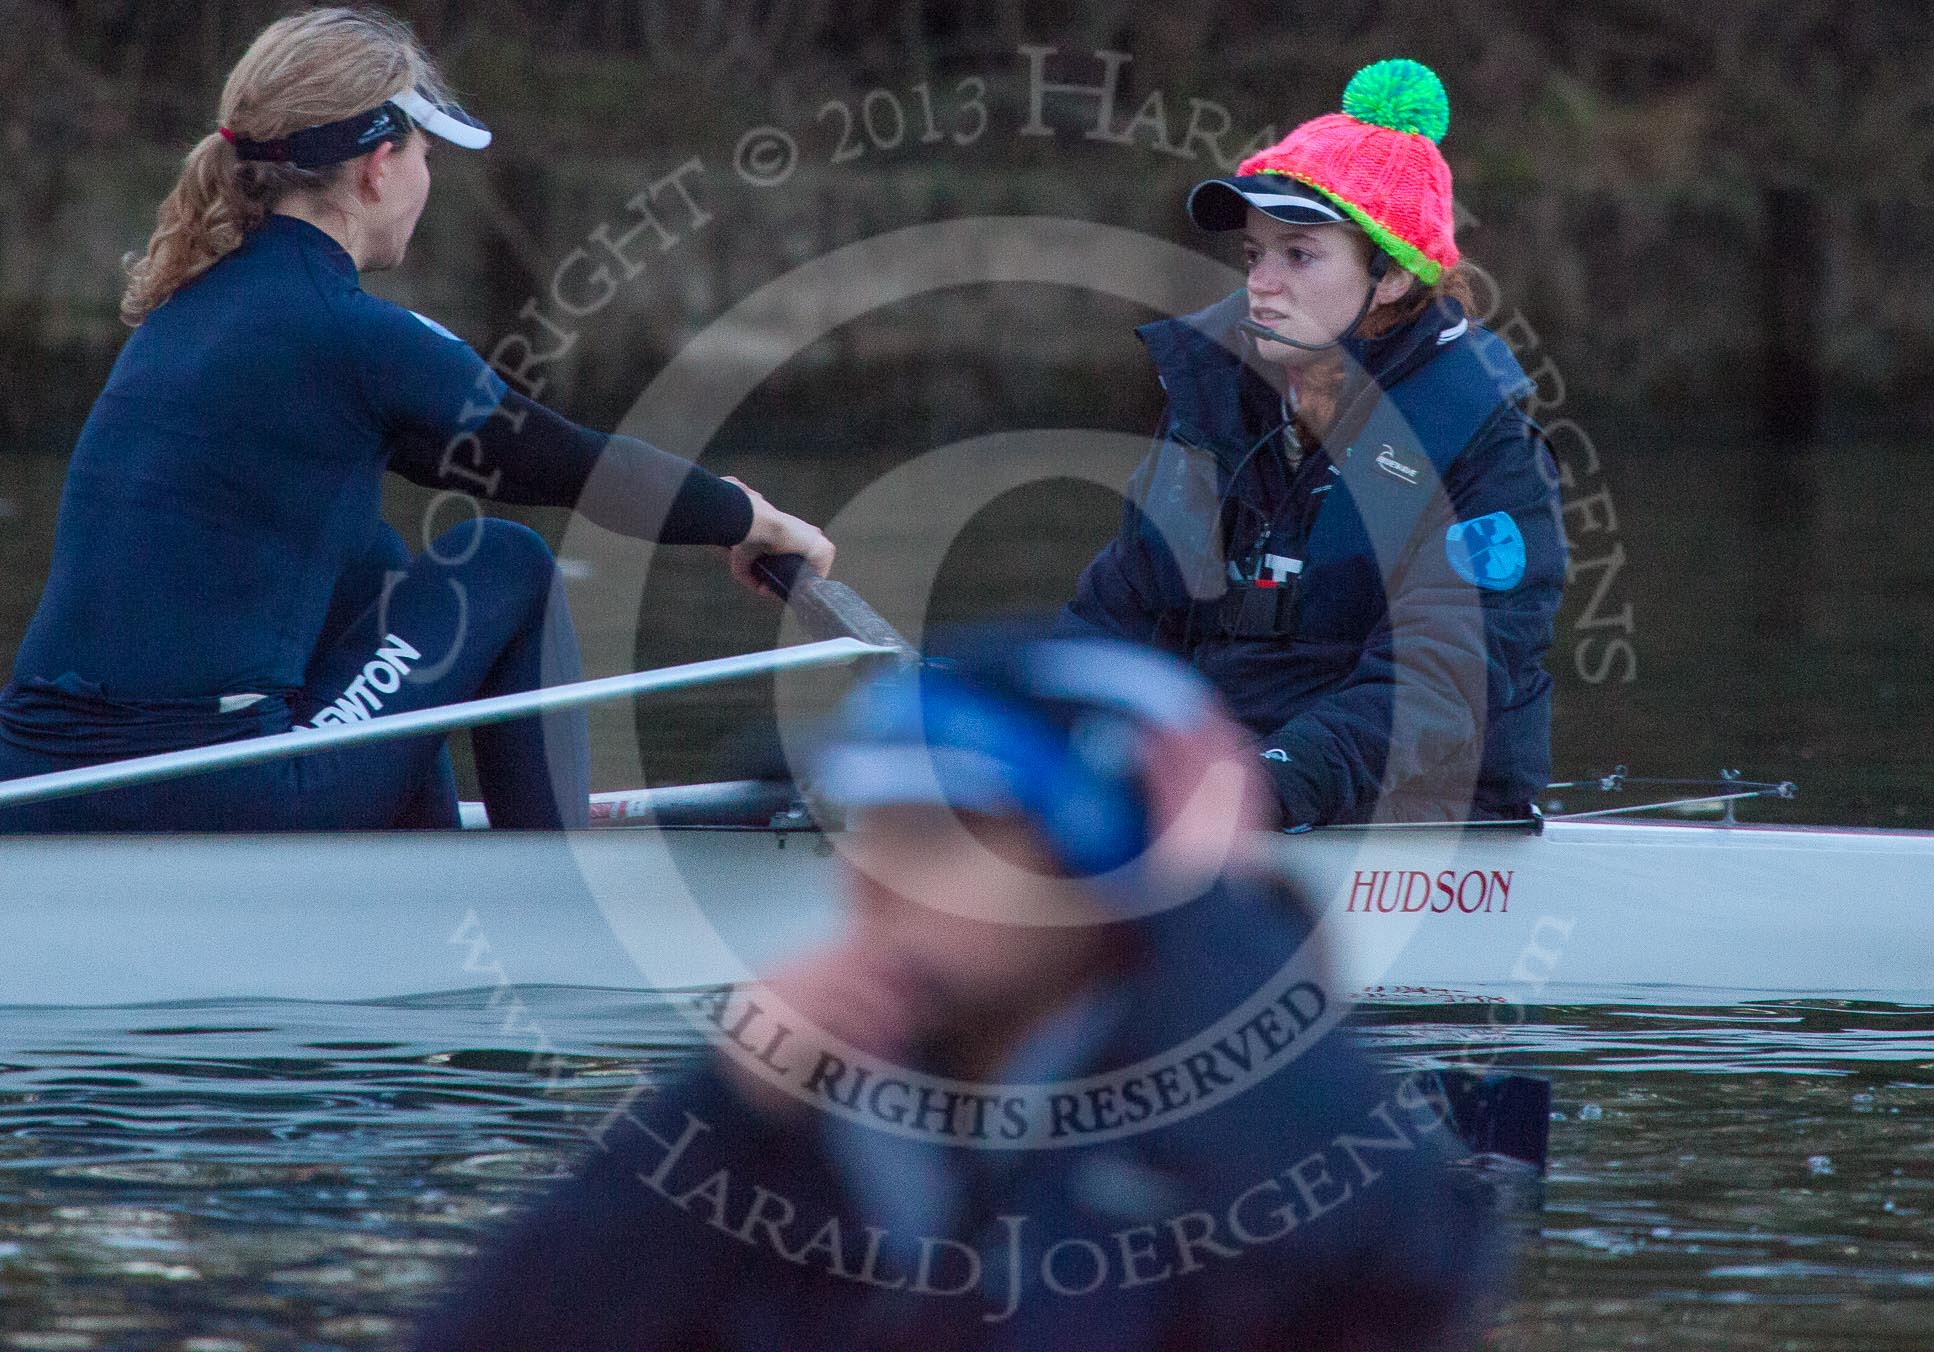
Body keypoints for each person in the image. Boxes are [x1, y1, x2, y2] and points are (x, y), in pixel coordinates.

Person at [416, 634, 1508, 1351]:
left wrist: (1203, 910)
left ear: (1113, 855)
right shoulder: (795, 1133)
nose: (871, 880)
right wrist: (717, 1107)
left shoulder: (1269, 1139)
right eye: (866, 827)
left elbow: (1394, 1263)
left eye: (941, 830)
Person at [0, 8, 832, 833]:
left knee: (372, 565)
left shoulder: (177, 312)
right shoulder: (356, 335)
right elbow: (571, 465)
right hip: (211, 792)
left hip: (30, 788)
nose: (427, 182)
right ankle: (550, 905)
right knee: (507, 563)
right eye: (428, 156)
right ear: (378, 165)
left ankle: (424, 867)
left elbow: (468, 463)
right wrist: (746, 518)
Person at [1062, 58, 1566, 829]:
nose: (1262, 283)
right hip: (1226, 807)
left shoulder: (1488, 447)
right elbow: (1118, 618)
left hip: (1424, 828)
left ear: (1392, 276)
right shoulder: (1213, 404)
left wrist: (1258, 790)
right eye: (1254, 255)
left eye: (1298, 255)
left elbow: (1441, 682)